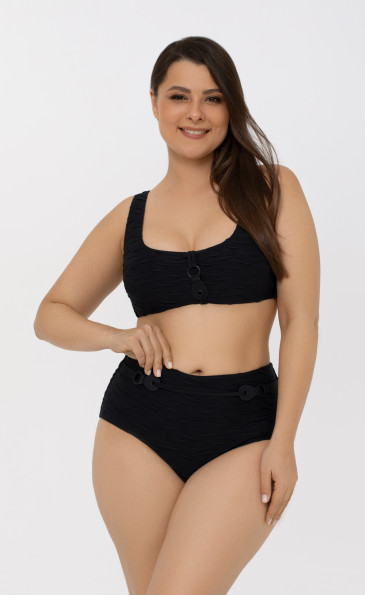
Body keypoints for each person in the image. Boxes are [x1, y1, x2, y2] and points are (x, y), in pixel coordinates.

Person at [34, 36, 320, 595]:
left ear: (231, 106)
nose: (195, 113)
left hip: (244, 429)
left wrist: (284, 441)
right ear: (154, 103)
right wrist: (117, 336)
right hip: (137, 428)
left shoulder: (273, 189)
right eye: (179, 96)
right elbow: (50, 315)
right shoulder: (130, 216)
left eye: (212, 98)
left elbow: (301, 322)